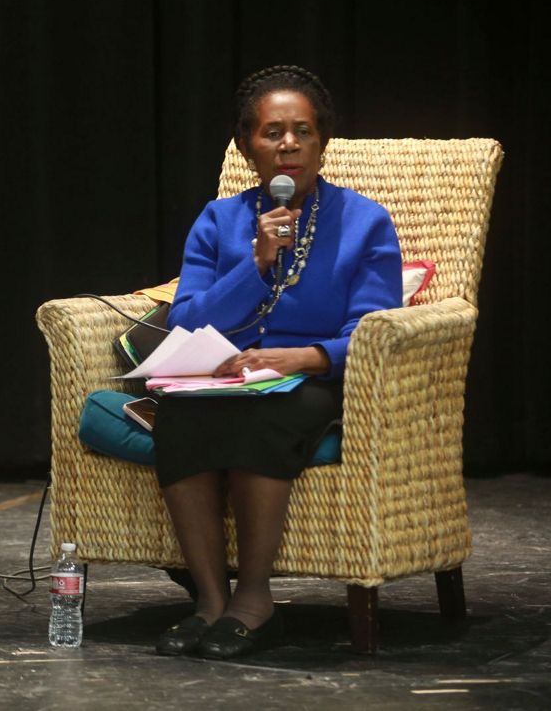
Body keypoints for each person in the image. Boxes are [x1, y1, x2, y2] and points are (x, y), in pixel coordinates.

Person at [150, 65, 402, 658]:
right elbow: (186, 320)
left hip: (316, 378)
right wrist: (256, 262)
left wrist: (303, 357)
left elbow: (374, 331)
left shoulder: (365, 221)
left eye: (302, 131)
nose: (289, 144)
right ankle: (210, 602)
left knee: (262, 418)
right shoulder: (219, 220)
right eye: (272, 133)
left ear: (322, 142)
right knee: (179, 417)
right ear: (247, 146)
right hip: (227, 376)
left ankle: (255, 602)